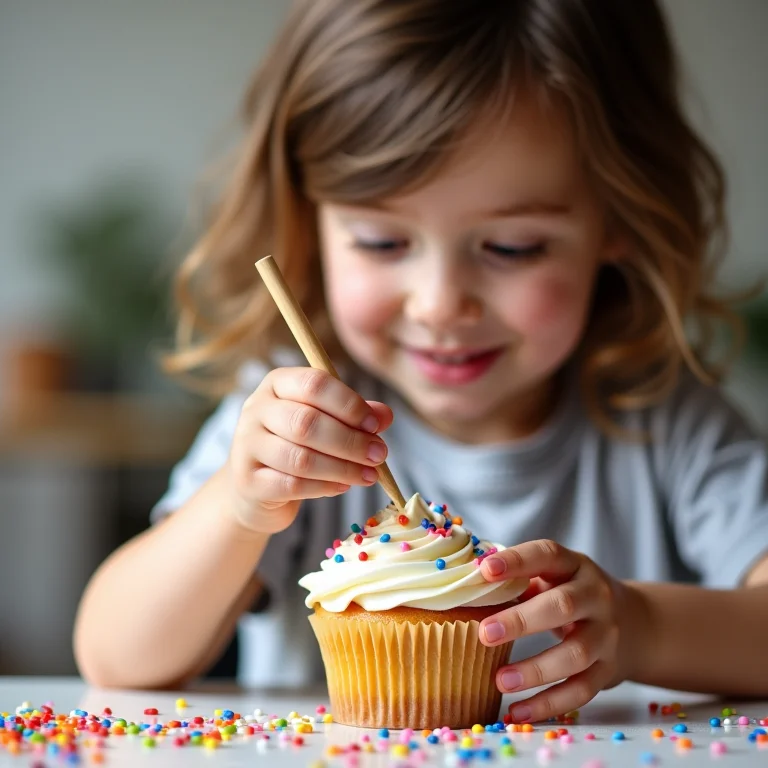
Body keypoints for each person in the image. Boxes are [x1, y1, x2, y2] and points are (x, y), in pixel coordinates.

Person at [74, 0, 768, 721]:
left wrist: (642, 627)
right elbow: (115, 656)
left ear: (620, 219)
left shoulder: (667, 421)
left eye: (513, 247)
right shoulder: (294, 419)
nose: (440, 304)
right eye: (381, 241)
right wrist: (242, 507)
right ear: (312, 224)